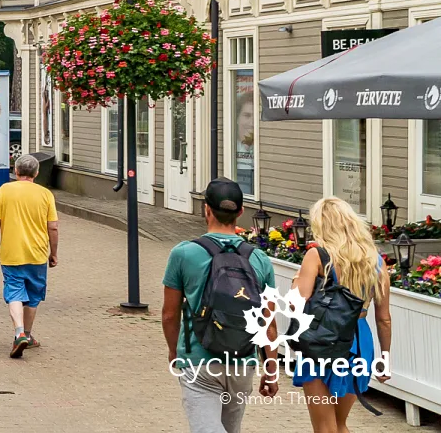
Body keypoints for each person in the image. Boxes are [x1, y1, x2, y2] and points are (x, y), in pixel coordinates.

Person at [161, 177, 280, 433]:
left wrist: (174, 351)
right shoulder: (259, 259)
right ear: (240, 212)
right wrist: (270, 369)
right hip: (242, 361)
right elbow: (269, 324)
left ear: (206, 209)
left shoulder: (183, 254)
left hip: (199, 361)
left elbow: (170, 314)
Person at [291, 196, 393, 432]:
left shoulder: (318, 256)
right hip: (359, 342)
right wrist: (385, 359)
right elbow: (384, 318)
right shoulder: (376, 262)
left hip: (322, 340)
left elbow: (296, 303)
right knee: (339, 423)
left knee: (325, 427)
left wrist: (297, 279)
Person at [0, 154, 58, 358]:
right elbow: (53, 227)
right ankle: (27, 335)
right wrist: (53, 253)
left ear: (16, 172)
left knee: (14, 292)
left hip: (11, 252)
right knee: (33, 296)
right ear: (37, 173)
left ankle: (18, 332)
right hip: (37, 253)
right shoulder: (46, 194)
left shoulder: (5, 190)